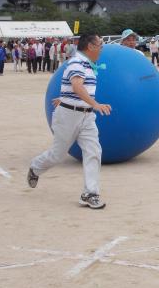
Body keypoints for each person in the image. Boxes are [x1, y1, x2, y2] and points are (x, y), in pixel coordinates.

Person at [27, 34, 111, 209]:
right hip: (68, 117)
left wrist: (66, 98)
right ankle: (35, 168)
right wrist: (95, 104)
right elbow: (77, 86)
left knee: (93, 151)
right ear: (90, 46)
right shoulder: (76, 62)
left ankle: (90, 193)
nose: (102, 48)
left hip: (86, 116)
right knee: (58, 155)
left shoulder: (87, 64)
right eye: (100, 45)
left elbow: (76, 89)